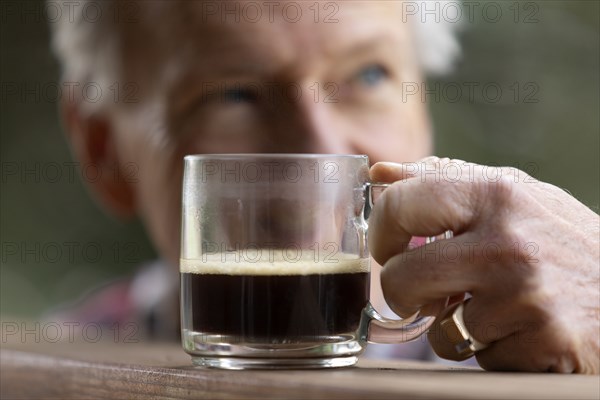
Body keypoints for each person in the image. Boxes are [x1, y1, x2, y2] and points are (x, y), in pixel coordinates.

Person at [49, 0, 599, 373]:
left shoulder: (551, 342)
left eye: (368, 75)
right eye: (234, 95)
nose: (323, 151)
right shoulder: (51, 370)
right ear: (104, 153)